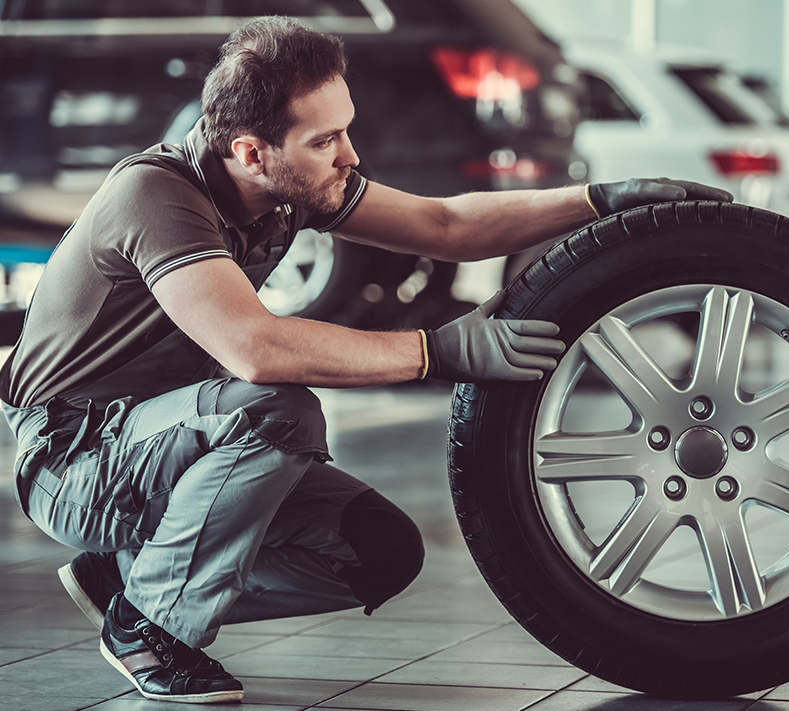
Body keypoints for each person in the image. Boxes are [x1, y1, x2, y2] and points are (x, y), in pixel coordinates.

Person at [0, 16, 733, 704]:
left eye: (345, 132)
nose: (349, 155)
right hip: (74, 454)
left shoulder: (283, 184)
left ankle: (132, 579)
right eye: (327, 141)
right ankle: (151, 629)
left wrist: (599, 200)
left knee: (374, 551)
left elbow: (443, 225)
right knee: (275, 408)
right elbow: (255, 348)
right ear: (251, 151)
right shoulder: (156, 196)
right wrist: (435, 350)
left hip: (161, 440)